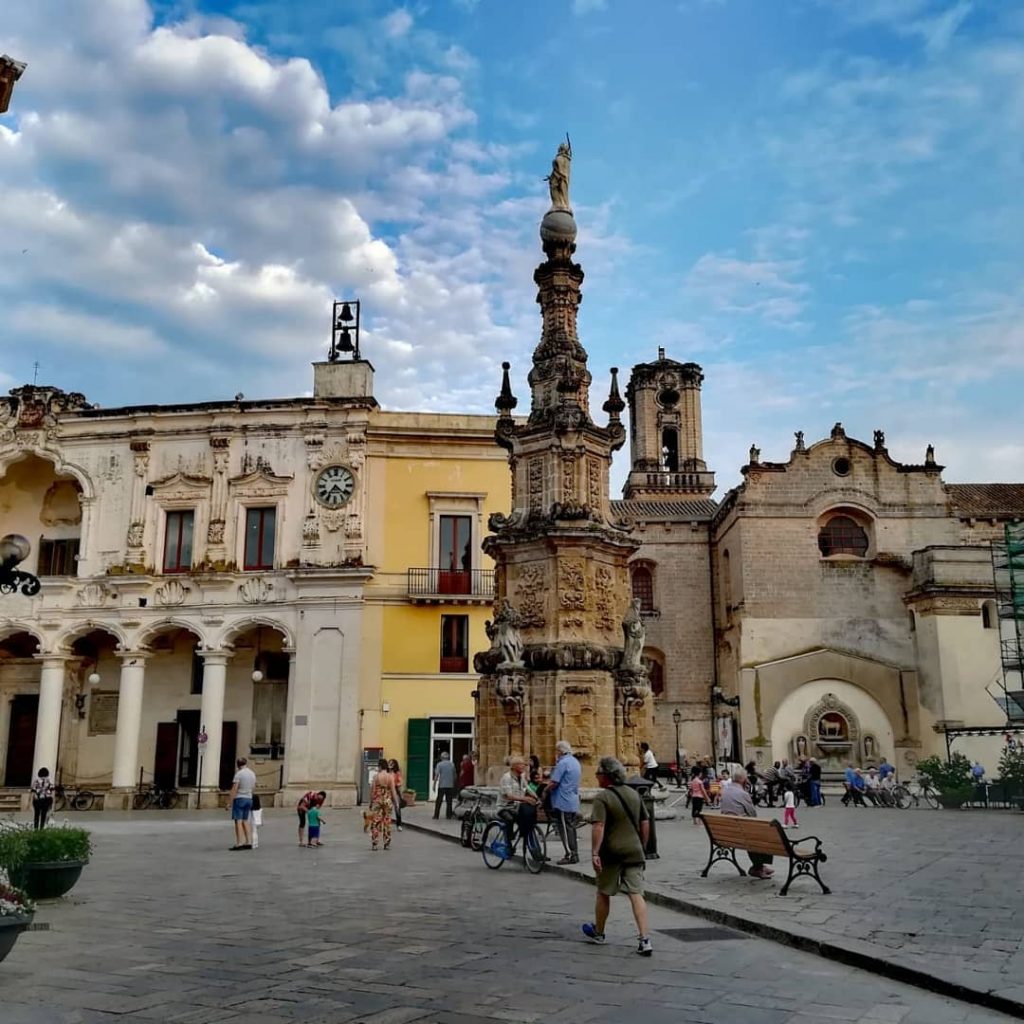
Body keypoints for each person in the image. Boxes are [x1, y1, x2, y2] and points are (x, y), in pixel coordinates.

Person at [581, 756, 653, 956]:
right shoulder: (633, 794)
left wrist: (595, 852)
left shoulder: (603, 797)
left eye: (598, 773)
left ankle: (599, 932)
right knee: (636, 894)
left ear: (606, 776)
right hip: (634, 851)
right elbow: (645, 823)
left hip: (611, 852)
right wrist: (642, 845)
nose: (596, 776)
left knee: (603, 891)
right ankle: (644, 938)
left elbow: (599, 826)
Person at [720, 769, 774, 879]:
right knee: (763, 834)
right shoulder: (743, 794)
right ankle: (757, 868)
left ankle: (759, 866)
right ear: (744, 781)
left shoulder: (725, 791)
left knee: (753, 833)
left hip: (725, 832)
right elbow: (753, 814)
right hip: (740, 832)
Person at [546, 740, 582, 865]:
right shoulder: (575, 762)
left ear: (560, 751)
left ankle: (570, 854)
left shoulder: (563, 763)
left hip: (562, 801)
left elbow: (555, 782)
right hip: (572, 799)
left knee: (565, 829)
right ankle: (574, 853)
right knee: (571, 828)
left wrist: (546, 790)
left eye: (556, 751)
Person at [495, 755, 540, 852]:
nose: (524, 766)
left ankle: (536, 852)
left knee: (528, 823)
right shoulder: (506, 778)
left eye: (524, 764)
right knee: (510, 819)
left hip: (517, 806)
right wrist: (525, 799)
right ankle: (508, 843)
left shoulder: (521, 777)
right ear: (514, 766)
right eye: (521, 764)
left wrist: (537, 798)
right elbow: (508, 796)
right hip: (505, 807)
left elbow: (527, 788)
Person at [370, 758, 400, 852]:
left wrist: (371, 802)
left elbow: (373, 791)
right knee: (387, 822)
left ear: (379, 766)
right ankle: (387, 843)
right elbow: (393, 791)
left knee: (375, 822)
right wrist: (396, 803)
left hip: (378, 800)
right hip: (387, 800)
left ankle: (375, 843)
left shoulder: (376, 777)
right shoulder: (390, 777)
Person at [229, 757, 257, 851]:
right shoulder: (252, 773)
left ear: (238, 765)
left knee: (238, 821)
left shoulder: (239, 774)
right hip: (249, 798)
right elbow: (253, 787)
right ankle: (249, 842)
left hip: (240, 798)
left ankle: (239, 843)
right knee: (246, 820)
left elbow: (234, 788)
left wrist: (230, 802)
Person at [433, 751, 457, 820]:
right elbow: (455, 775)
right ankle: (448, 815)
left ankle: (436, 815)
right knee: (449, 801)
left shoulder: (439, 764)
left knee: (439, 801)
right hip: (450, 785)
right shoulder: (452, 764)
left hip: (442, 785)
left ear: (441, 757)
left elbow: (436, 775)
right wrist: (453, 783)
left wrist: (434, 785)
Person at [388, 759, 405, 832]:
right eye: (389, 763)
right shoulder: (387, 772)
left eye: (392, 763)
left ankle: (399, 824)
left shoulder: (397, 773)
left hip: (395, 789)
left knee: (397, 808)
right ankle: (386, 824)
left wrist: (395, 784)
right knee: (387, 807)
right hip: (388, 790)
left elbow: (400, 782)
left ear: (395, 765)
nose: (390, 764)